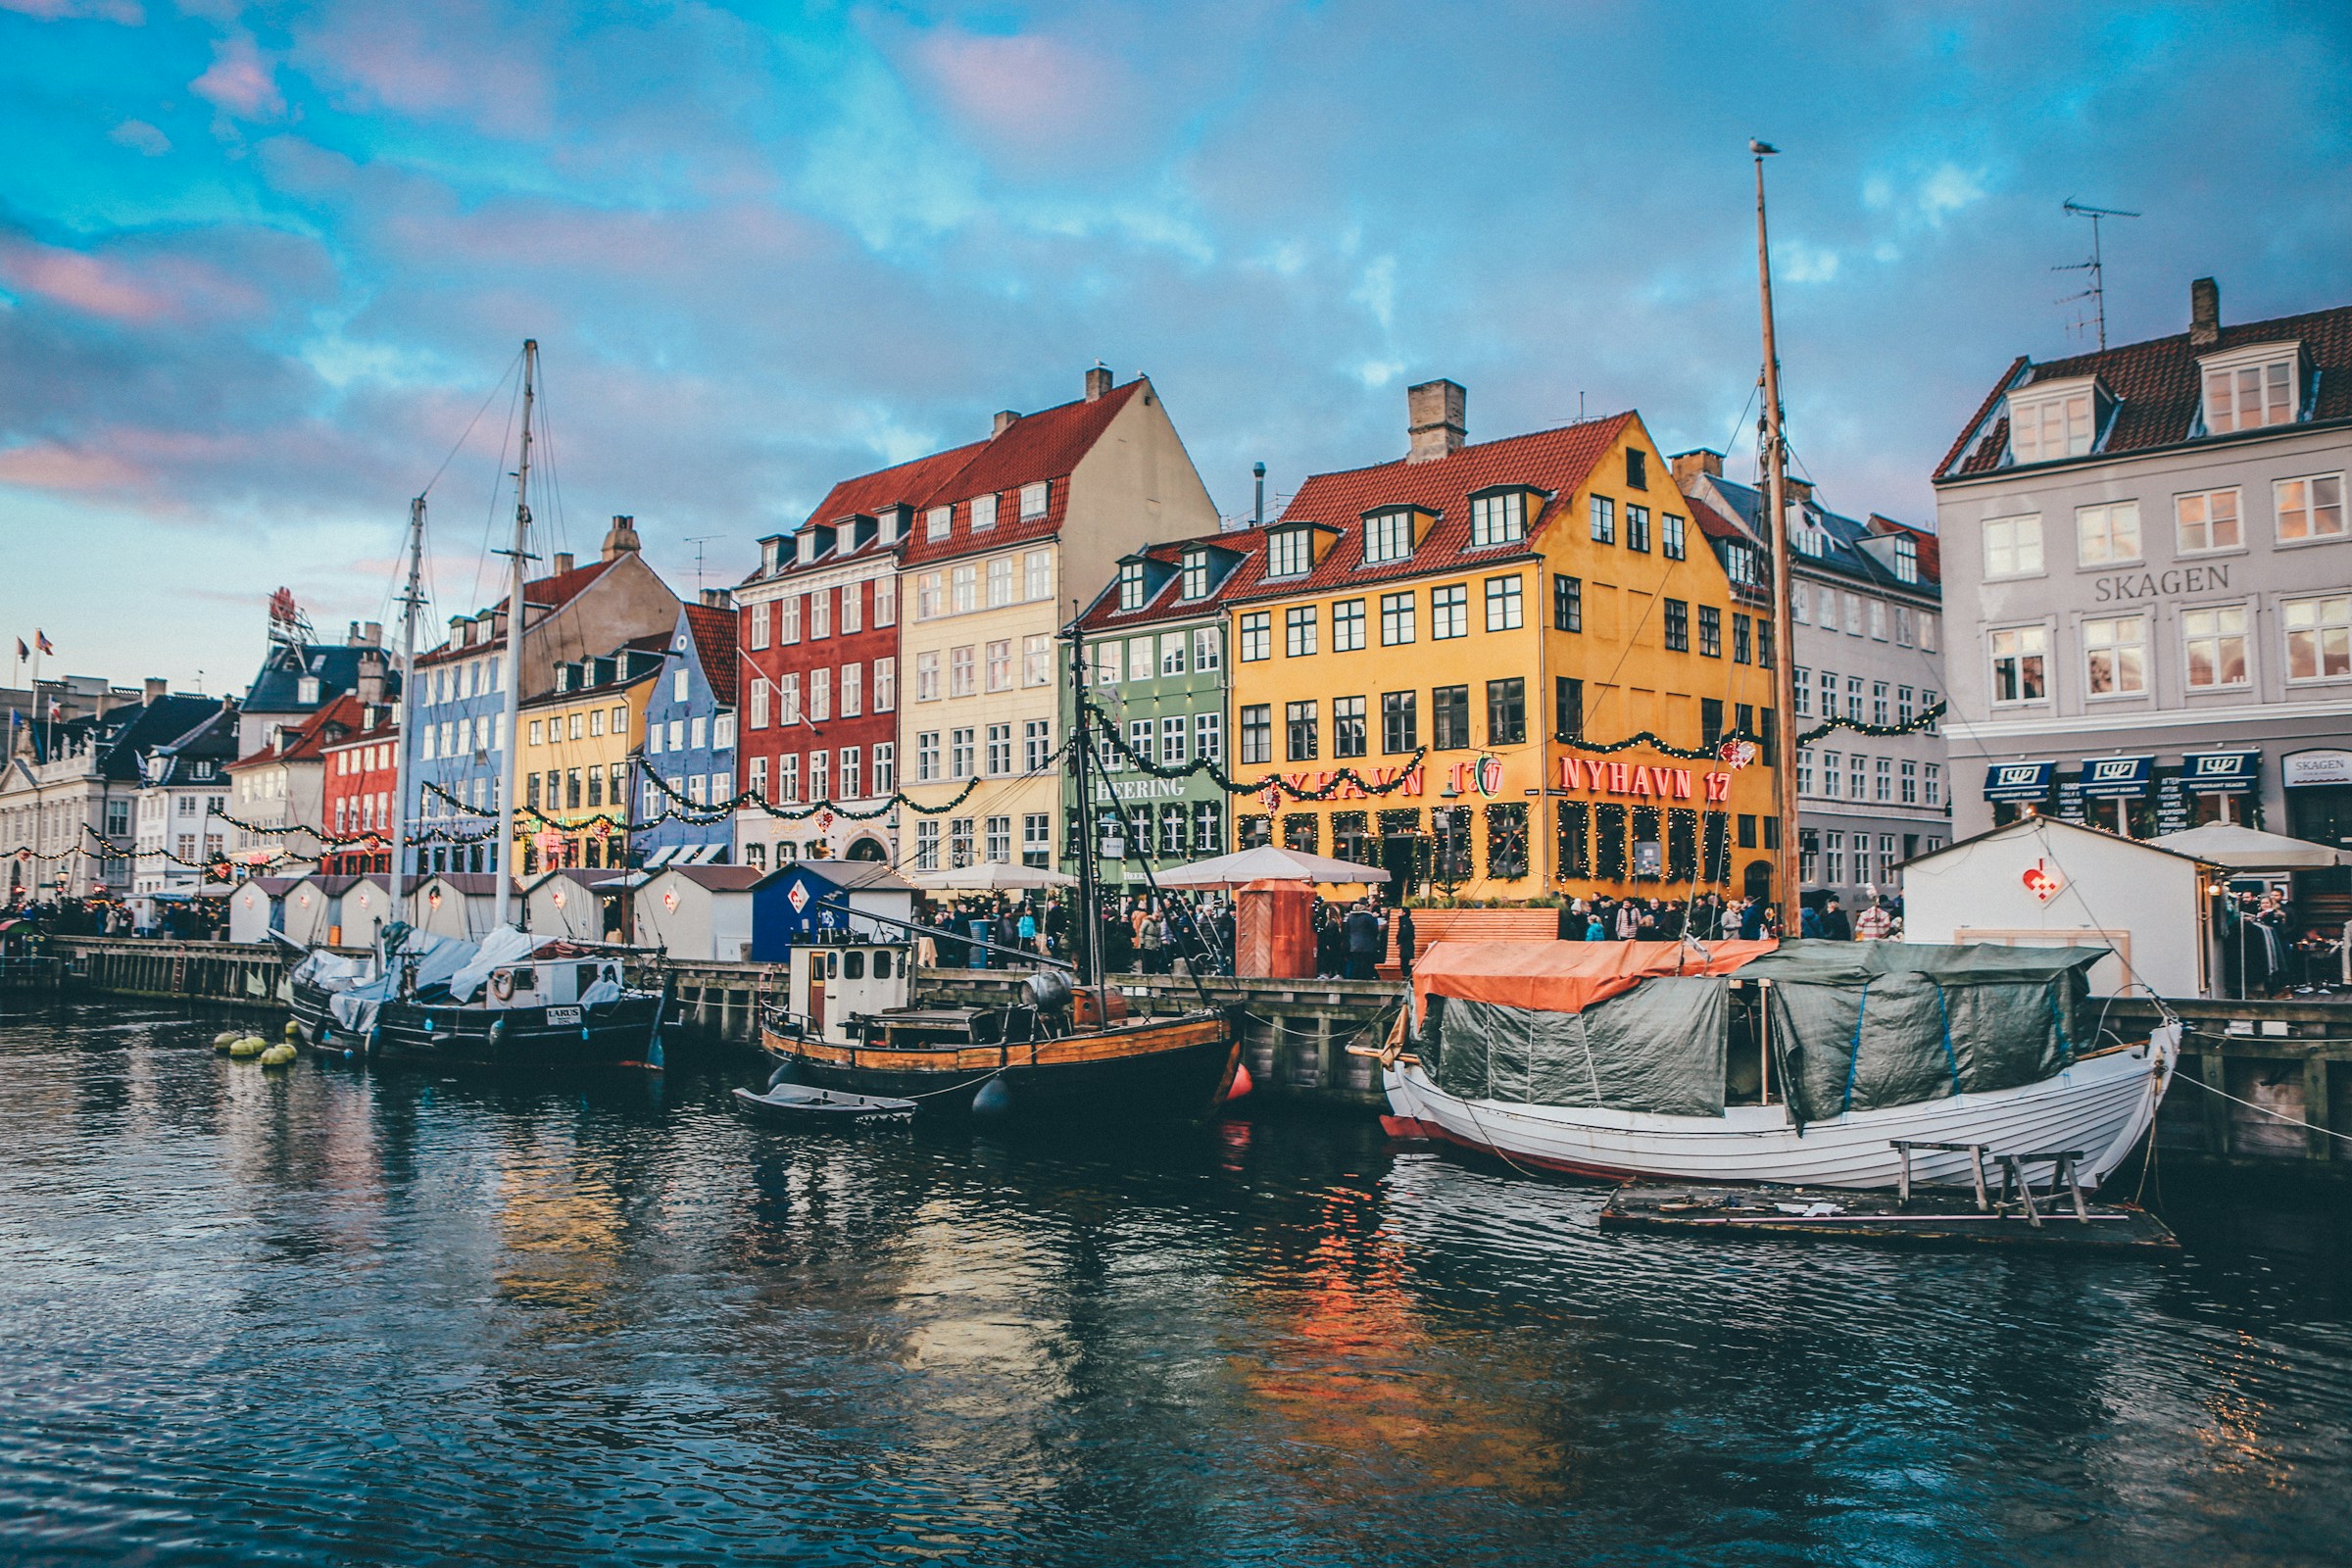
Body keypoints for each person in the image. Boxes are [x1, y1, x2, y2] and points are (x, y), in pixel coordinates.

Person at [1344, 901, 1383, 981]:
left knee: (1356, 964)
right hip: (1368, 946)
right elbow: (1375, 930)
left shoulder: (1350, 917)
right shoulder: (1369, 917)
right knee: (1367, 965)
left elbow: (1347, 931)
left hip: (1354, 945)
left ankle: (1355, 982)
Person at [1396, 906, 1417, 980]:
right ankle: (1407, 977)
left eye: (1400, 911)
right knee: (1404, 962)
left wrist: (1399, 942)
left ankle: (1407, 977)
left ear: (1404, 913)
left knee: (1404, 962)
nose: (1398, 913)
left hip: (1406, 944)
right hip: (1406, 944)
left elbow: (1404, 933)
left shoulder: (1406, 921)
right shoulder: (1404, 921)